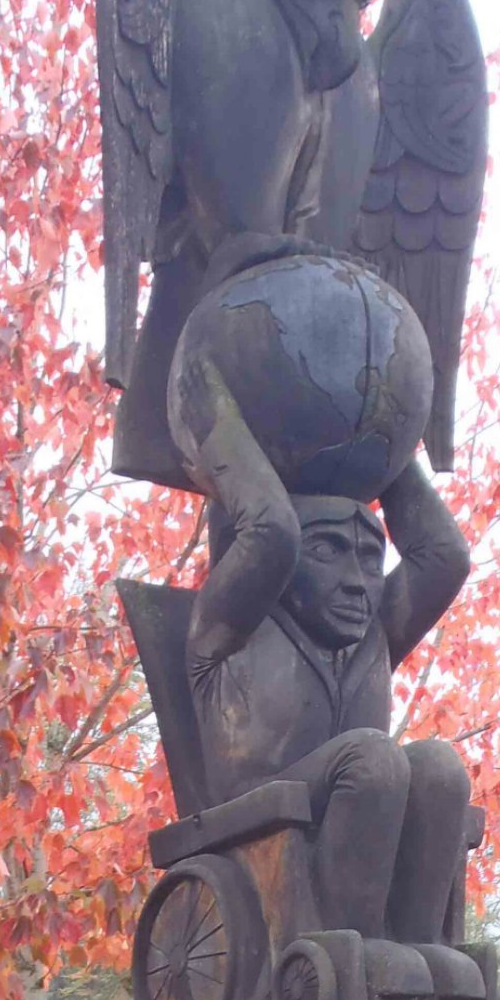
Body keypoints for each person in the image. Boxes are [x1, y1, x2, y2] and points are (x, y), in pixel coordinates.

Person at [179, 360, 472, 945]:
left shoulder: (370, 631)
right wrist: (211, 420)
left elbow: (444, 557)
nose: (358, 582)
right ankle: (351, 948)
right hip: (258, 816)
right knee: (373, 759)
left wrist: (385, 445)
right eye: (328, 552)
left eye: (368, 558)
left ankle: (414, 951)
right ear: (278, 573)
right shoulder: (231, 628)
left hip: (356, 791)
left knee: (438, 767)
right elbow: (270, 531)